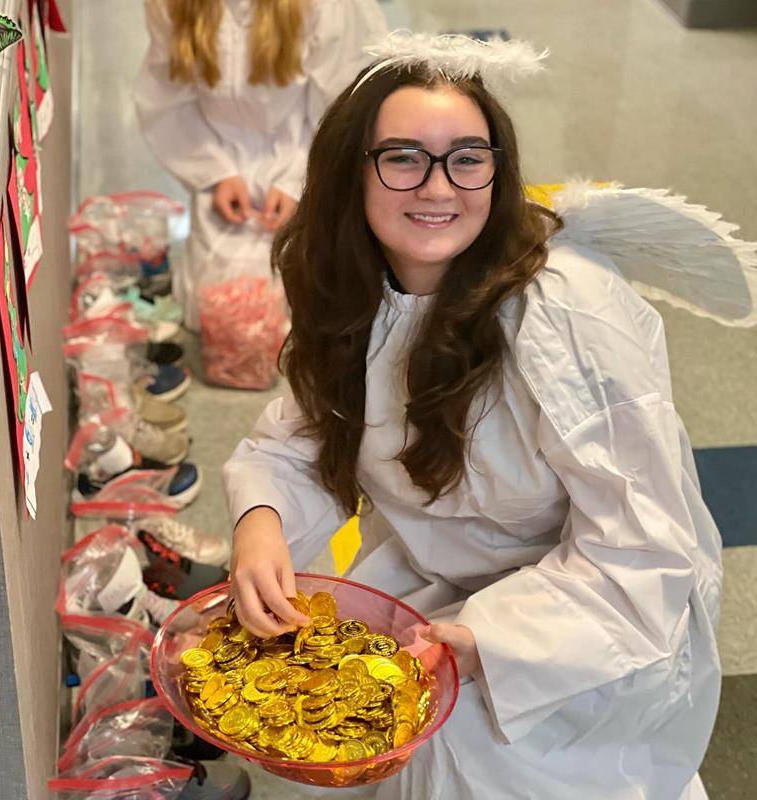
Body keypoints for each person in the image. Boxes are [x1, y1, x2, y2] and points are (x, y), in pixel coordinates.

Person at [222, 33, 733, 800]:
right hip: (434, 592)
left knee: (463, 754)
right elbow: (296, 442)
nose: (438, 186)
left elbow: (646, 549)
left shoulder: (565, 318)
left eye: (467, 156)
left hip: (578, 634)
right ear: (349, 174)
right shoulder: (356, 295)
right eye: (403, 157)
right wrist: (259, 519)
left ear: (498, 168)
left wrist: (485, 641)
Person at [134, 0, 386, 330]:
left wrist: (298, 180)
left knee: (304, 316)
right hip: (221, 174)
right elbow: (166, 101)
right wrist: (215, 171)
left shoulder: (326, 7)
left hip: (306, 164)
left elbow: (345, 105)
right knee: (219, 320)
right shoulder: (173, 6)